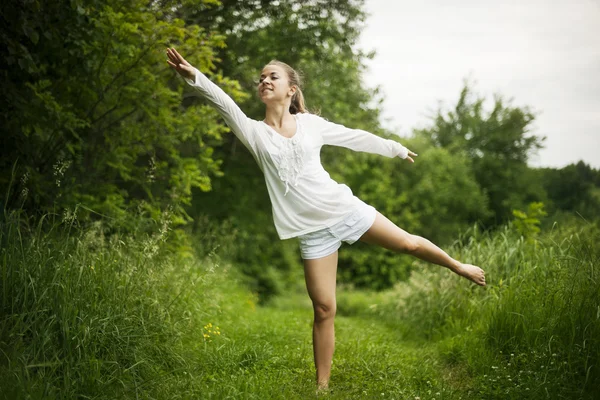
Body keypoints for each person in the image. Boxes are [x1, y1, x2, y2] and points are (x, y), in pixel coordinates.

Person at [166, 47, 486, 392]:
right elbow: (223, 103)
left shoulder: (310, 125)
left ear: (291, 89)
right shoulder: (253, 133)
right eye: (261, 78)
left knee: (407, 243)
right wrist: (194, 76)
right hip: (312, 232)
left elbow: (354, 137)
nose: (264, 81)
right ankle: (322, 388)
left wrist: (393, 147)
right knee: (323, 308)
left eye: (273, 76)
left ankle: (458, 266)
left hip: (343, 209)